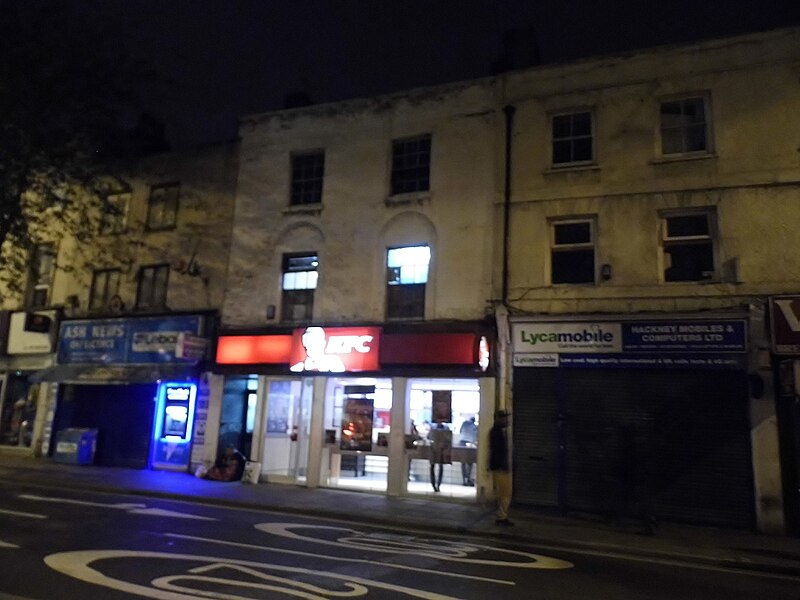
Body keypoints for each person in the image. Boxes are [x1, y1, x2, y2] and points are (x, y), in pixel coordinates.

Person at [489, 409, 513, 526]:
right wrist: (502, 466)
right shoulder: (496, 432)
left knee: (505, 493)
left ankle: (502, 515)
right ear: (499, 419)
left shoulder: (500, 432)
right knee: (505, 493)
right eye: (505, 418)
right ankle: (501, 517)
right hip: (500, 468)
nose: (507, 420)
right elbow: (496, 452)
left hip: (501, 467)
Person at [427, 422, 452, 492]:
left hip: (434, 450)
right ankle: (438, 484)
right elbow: (449, 439)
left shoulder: (433, 428)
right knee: (440, 467)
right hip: (441, 451)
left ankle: (434, 484)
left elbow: (428, 437)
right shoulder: (446, 429)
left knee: (432, 467)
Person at [458, 416, 478, 486]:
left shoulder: (464, 423)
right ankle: (468, 478)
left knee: (463, 463)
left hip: (462, 442)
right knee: (470, 462)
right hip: (470, 444)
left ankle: (464, 480)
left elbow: (460, 431)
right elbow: (476, 436)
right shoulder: (475, 427)